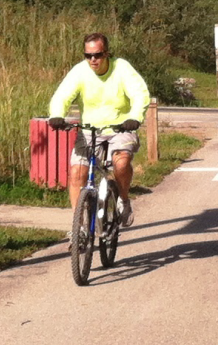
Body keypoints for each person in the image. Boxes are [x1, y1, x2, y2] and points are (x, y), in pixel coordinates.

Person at [47, 32, 150, 226]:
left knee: (121, 163)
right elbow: (62, 95)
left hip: (120, 127)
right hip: (89, 130)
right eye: (88, 55)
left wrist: (134, 118)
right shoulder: (80, 71)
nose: (93, 60)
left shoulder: (122, 68)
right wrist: (56, 115)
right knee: (77, 173)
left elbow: (139, 94)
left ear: (107, 53)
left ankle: (124, 200)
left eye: (98, 55)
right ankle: (79, 227)